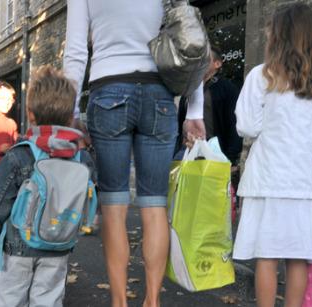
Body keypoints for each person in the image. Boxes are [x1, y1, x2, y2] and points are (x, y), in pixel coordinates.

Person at [63, 1, 205, 306]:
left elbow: (75, 51)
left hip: (108, 89)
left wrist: (72, 111)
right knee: (154, 206)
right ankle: (152, 301)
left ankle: (119, 302)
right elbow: (190, 38)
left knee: (114, 207)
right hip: (160, 92)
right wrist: (195, 109)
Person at [232, 3, 312, 307]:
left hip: (267, 177)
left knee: (267, 255)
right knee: (298, 257)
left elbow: (247, 126)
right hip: (302, 180)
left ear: (277, 36)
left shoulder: (261, 76)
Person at [0, 66, 94, 307]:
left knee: (9, 296)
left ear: (30, 114)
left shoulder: (21, 154)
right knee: (48, 298)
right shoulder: (81, 158)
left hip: (20, 242)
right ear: (69, 115)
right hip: (59, 240)